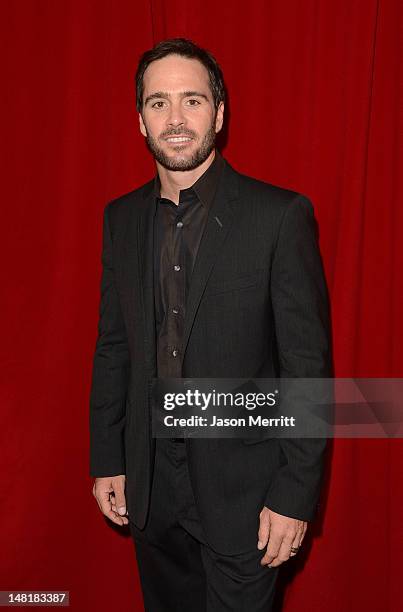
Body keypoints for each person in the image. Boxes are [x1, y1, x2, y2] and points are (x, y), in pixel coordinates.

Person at [89, 38, 332, 611]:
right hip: (151, 490)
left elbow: (307, 370)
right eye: (158, 103)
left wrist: (294, 495)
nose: (175, 119)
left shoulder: (279, 216)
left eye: (192, 101)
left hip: (245, 493)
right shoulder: (120, 219)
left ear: (219, 114)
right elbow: (113, 347)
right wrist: (108, 458)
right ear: (140, 121)